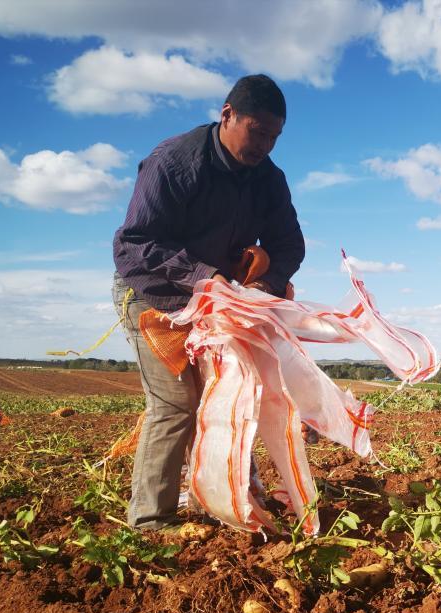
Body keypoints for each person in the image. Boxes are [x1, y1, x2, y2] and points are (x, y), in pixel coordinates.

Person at [112, 74, 305, 530]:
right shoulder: (174, 164)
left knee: (224, 398)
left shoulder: (268, 179)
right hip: (153, 297)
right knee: (177, 403)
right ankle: (150, 520)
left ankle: (214, 498)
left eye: (274, 137)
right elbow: (134, 244)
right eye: (257, 132)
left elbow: (290, 242)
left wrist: (270, 281)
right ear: (227, 115)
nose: (264, 145)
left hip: (218, 303)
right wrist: (205, 275)